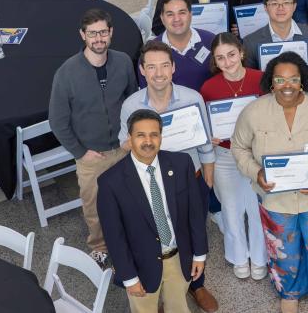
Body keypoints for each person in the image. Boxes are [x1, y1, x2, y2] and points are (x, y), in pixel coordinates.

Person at [230, 52, 308, 313]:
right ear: (271, 82)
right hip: (275, 199)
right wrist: (256, 172)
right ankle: (289, 292)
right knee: (283, 250)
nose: (287, 86)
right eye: (280, 79)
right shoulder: (253, 112)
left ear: (302, 81)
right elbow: (239, 148)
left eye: (293, 79)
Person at [118, 40, 219, 313]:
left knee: (193, 231)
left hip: (190, 178)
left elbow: (205, 140)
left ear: (173, 68)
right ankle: (161, 293)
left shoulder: (192, 98)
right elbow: (123, 144)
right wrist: (142, 137)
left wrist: (208, 168)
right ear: (142, 71)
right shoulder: (131, 105)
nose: (159, 73)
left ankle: (197, 286)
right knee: (158, 237)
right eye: (151, 67)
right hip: (152, 182)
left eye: (164, 65)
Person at [48, 9, 138, 267]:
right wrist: (80, 152)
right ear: (82, 35)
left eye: (102, 32)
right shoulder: (66, 73)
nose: (98, 38)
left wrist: (130, 139)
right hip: (91, 155)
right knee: (95, 206)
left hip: (123, 148)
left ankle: (130, 237)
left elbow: (132, 101)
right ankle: (99, 245)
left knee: (130, 197)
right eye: (92, 33)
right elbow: (58, 120)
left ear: (111, 33)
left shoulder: (122, 62)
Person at [98, 109, 208, 313]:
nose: (148, 141)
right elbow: (114, 236)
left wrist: (199, 255)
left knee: (179, 308)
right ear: (130, 139)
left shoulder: (182, 164)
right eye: (140, 135)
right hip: (141, 265)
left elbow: (195, 213)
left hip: (178, 257)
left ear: (160, 137)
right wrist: (129, 277)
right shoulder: (110, 182)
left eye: (154, 134)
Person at [200, 33, 267, 281]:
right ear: (215, 62)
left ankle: (260, 257)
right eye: (220, 58)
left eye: (231, 55)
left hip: (255, 154)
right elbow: (203, 124)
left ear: (241, 53)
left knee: (257, 206)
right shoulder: (209, 87)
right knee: (231, 208)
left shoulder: (260, 79)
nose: (227, 62)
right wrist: (210, 135)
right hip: (225, 154)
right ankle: (239, 257)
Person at [243, 0, 308, 82]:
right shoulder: (250, 42)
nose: (280, 8)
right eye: (274, 3)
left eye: (286, 2)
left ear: (294, 6)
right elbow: (251, 78)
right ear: (265, 8)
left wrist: (298, 88)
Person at [147, 0, 215, 92]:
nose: (177, 19)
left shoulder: (211, 41)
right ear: (162, 18)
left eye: (182, 13)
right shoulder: (150, 52)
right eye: (170, 14)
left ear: (190, 14)